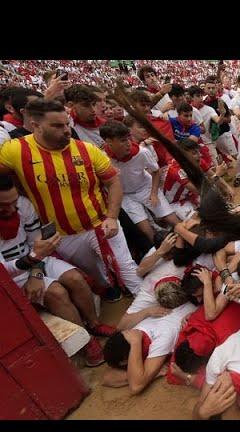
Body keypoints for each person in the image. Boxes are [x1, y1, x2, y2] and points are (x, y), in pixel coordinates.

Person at [0, 99, 142, 297]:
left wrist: (111, 216)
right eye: (58, 126)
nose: (66, 130)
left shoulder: (87, 149)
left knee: (125, 267)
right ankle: (111, 289)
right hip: (61, 235)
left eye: (67, 124)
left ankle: (147, 305)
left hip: (99, 224)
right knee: (94, 272)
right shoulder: (15, 151)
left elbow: (114, 182)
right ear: (36, 126)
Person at [0, 175, 110, 366]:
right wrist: (33, 260)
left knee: (76, 278)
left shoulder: (23, 205)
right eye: (3, 205)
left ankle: (94, 325)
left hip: (34, 260)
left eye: (13, 202)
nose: (11, 209)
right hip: (12, 274)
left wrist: (36, 271)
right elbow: (3, 270)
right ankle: (86, 343)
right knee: (57, 293)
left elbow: (36, 243)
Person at [100, 120, 180, 242]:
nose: (128, 143)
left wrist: (153, 193)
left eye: (128, 138)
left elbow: (156, 171)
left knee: (172, 219)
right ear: (109, 142)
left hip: (145, 187)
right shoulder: (102, 158)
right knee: (146, 231)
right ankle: (162, 252)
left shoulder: (142, 152)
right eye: (122, 140)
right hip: (126, 196)